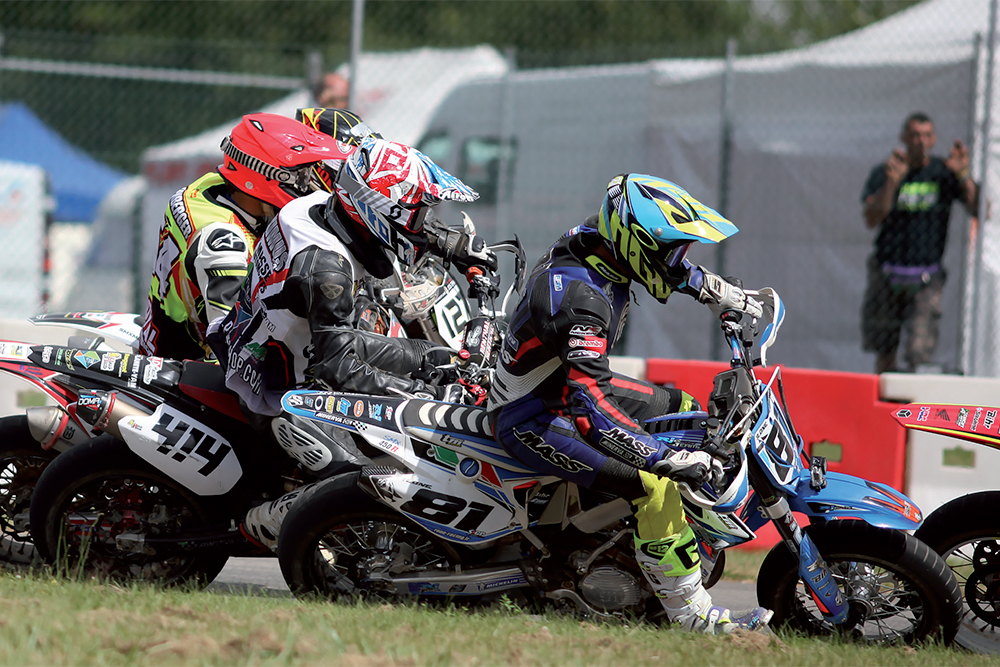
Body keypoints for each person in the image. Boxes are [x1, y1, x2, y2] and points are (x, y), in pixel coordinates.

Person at [487, 173, 772, 635]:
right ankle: (691, 616)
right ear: (634, 242)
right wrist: (665, 458)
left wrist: (722, 294)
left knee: (680, 407)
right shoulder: (581, 300)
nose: (678, 261)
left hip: (560, 389)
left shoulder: (601, 244)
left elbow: (663, 266)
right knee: (655, 483)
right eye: (671, 249)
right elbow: (592, 410)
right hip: (532, 415)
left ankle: (642, 545)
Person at [208, 136, 496, 547]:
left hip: (295, 346)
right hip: (279, 385)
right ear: (376, 211)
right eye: (418, 215)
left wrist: (450, 244)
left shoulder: (318, 205)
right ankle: (279, 521)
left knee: (436, 357)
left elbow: (395, 223)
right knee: (376, 479)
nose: (421, 223)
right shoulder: (327, 270)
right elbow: (338, 368)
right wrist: (424, 395)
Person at [140, 113, 352, 361]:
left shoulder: (211, 186)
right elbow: (236, 347)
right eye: (302, 176)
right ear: (264, 176)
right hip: (193, 372)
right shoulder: (224, 243)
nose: (309, 185)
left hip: (167, 332)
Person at [861, 111, 979, 374]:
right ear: (904, 137)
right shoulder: (886, 172)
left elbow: (979, 209)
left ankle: (912, 412)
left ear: (934, 139)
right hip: (888, 275)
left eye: (926, 135)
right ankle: (881, 410)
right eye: (915, 135)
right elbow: (872, 218)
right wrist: (892, 183)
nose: (920, 141)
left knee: (919, 355)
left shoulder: (942, 174)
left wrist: (964, 175)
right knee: (884, 352)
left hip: (926, 279)